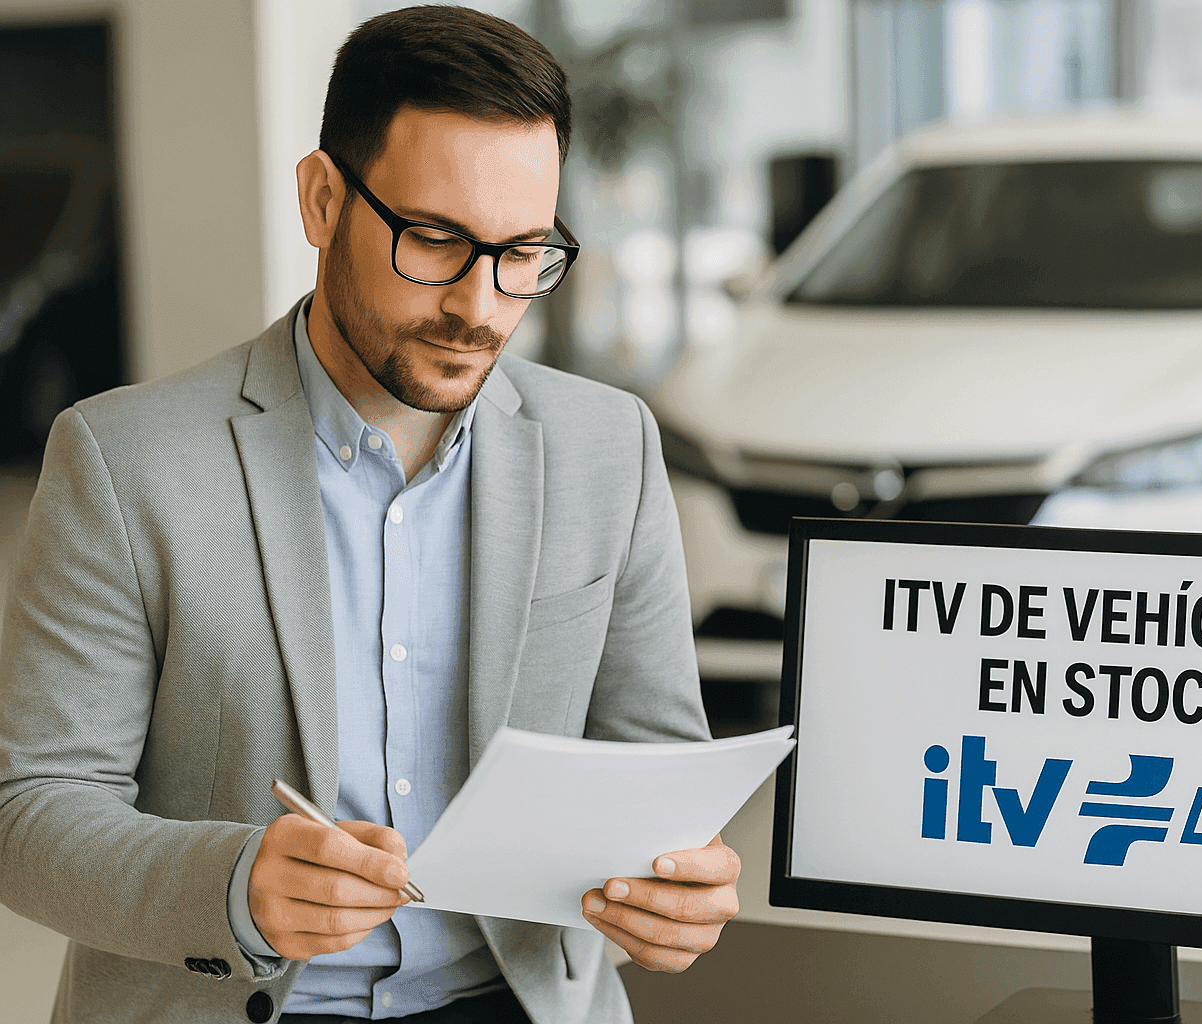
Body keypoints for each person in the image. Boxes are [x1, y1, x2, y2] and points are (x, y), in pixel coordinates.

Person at [0, 7, 739, 1023]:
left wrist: (676, 891)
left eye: (523, 252)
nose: (481, 306)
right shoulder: (124, 463)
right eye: (434, 240)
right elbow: (30, 813)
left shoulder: (608, 449)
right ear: (321, 199)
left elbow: (656, 776)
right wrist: (236, 882)